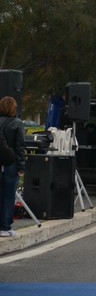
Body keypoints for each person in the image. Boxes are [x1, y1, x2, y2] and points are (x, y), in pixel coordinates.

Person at [0, 96, 25, 237]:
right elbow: (20, 147)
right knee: (9, 195)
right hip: (10, 163)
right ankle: (5, 226)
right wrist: (21, 167)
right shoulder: (17, 123)